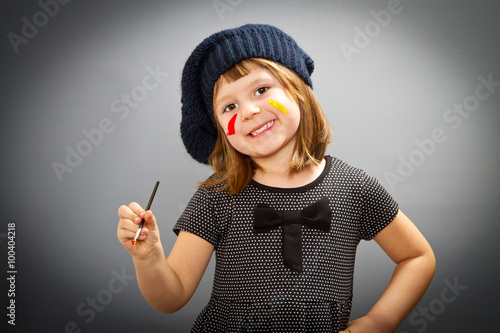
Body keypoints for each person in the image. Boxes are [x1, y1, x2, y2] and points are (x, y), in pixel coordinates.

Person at [117, 24, 435, 332]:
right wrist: (149, 257)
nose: (249, 111)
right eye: (229, 106)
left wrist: (378, 323)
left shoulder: (354, 187)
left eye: (261, 89)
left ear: (297, 90)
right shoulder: (217, 195)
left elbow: (417, 256)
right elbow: (171, 298)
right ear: (219, 130)